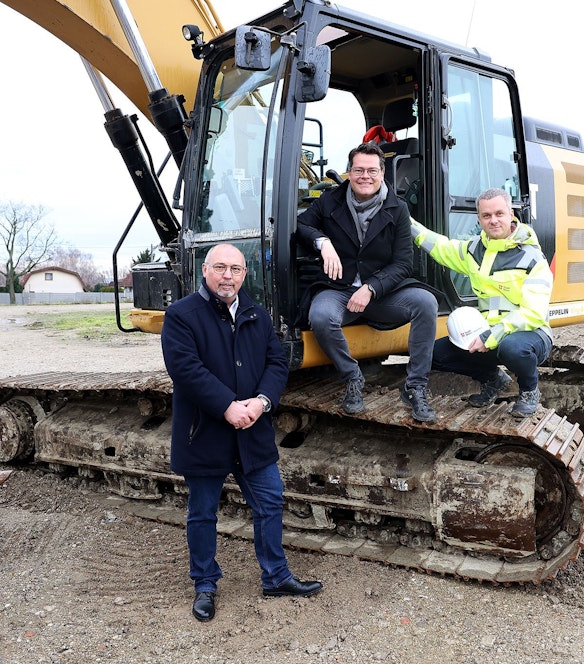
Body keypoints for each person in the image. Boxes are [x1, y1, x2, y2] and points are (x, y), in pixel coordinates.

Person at [161, 243, 322, 624]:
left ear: (245, 274)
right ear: (204, 270)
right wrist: (227, 406)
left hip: (252, 430)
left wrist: (262, 402)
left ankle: (276, 577)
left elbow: (276, 361)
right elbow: (185, 369)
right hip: (205, 432)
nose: (228, 276)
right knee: (203, 513)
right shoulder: (181, 315)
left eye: (235, 269)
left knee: (269, 502)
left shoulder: (256, 314)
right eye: (220, 267)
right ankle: (205, 584)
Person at [296, 141, 438, 423]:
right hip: (339, 290)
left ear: (382, 173)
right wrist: (322, 242)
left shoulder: (398, 209)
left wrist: (371, 287)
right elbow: (301, 224)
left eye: (372, 171)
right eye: (359, 170)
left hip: (382, 294)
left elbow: (403, 263)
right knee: (321, 316)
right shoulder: (330, 201)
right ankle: (352, 376)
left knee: (426, 303)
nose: (365, 176)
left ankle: (416, 386)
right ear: (349, 172)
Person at [411, 187, 553, 418]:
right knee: (433, 354)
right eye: (486, 215)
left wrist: (492, 336)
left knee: (512, 348)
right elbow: (441, 246)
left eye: (499, 214)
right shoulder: (474, 250)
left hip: (530, 334)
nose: (493, 220)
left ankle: (529, 391)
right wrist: (406, 222)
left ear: (511, 214)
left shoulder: (532, 258)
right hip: (489, 332)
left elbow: (533, 313)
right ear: (479, 219)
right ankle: (493, 378)